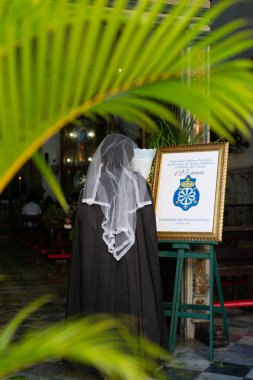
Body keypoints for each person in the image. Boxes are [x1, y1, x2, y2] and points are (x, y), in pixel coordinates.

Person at [66, 134, 168, 349]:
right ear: (128, 156)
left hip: (99, 257)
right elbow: (148, 224)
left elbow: (85, 226)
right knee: (135, 296)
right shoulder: (139, 182)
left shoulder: (91, 186)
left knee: (99, 295)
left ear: (102, 156)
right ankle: (138, 347)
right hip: (134, 257)